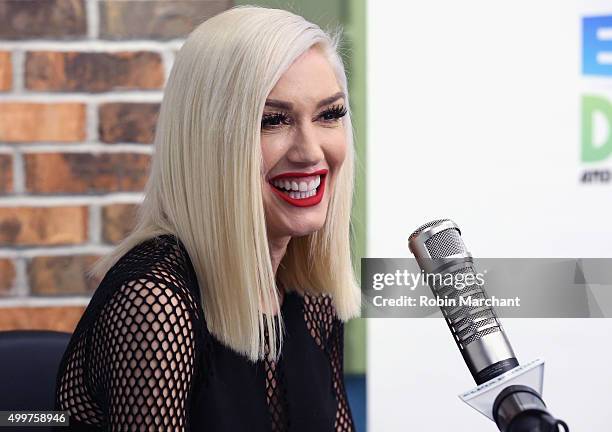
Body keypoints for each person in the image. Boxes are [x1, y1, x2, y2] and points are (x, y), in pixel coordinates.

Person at [53, 5, 361, 431]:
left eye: (330, 115)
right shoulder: (155, 304)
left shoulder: (312, 291)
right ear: (209, 139)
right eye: (272, 121)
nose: (310, 151)